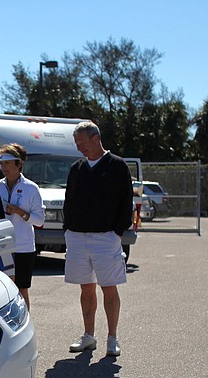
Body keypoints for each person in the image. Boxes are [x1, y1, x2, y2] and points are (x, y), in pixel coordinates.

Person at [62, 121, 133, 357]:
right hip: (77, 236)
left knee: (109, 288)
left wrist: (118, 231)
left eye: (82, 143)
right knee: (86, 288)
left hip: (106, 237)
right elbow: (68, 201)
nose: (79, 148)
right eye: (77, 145)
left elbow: (126, 202)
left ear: (96, 138)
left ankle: (112, 338)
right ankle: (88, 336)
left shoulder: (118, 166)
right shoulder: (76, 168)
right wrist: (68, 228)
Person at [0, 143, 45, 310]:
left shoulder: (31, 188)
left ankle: (25, 327)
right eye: (2, 163)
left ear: (19, 163)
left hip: (23, 248)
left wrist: (19, 212)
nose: (4, 167)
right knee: (0, 290)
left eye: (8, 163)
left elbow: (39, 220)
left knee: (22, 289)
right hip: (0, 246)